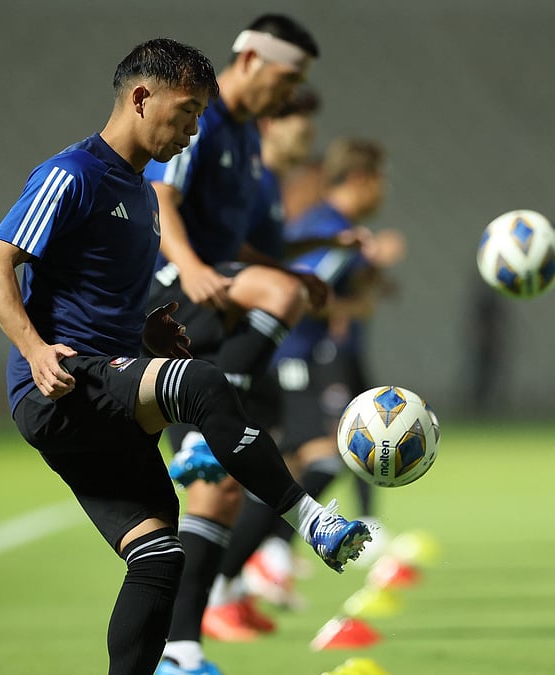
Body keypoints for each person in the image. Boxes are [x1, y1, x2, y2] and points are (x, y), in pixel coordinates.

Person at [0, 38, 371, 675]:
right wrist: (33, 347)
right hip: (62, 382)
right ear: (140, 97)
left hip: (100, 395)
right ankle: (309, 518)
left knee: (159, 555)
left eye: (199, 117)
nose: (191, 131)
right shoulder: (72, 174)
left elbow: (97, 296)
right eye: (185, 112)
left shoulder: (138, 194)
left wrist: (147, 338)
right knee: (204, 385)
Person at [140, 16, 335, 675]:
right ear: (250, 58)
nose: (292, 92)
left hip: (215, 303)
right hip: (171, 294)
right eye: (290, 77)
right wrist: (191, 265)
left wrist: (292, 268)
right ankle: (202, 434)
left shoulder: (250, 138)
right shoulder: (204, 117)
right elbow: (162, 199)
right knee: (279, 299)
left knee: (217, 491)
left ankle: (179, 650)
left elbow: (239, 248)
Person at [208, 138, 406, 628]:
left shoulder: (334, 230)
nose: (383, 190)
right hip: (297, 358)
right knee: (320, 457)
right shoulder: (327, 228)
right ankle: (240, 569)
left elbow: (338, 285)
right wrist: (349, 305)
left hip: (307, 358)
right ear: (360, 180)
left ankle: (254, 566)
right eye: (379, 179)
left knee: (295, 464)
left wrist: (370, 280)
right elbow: (301, 291)